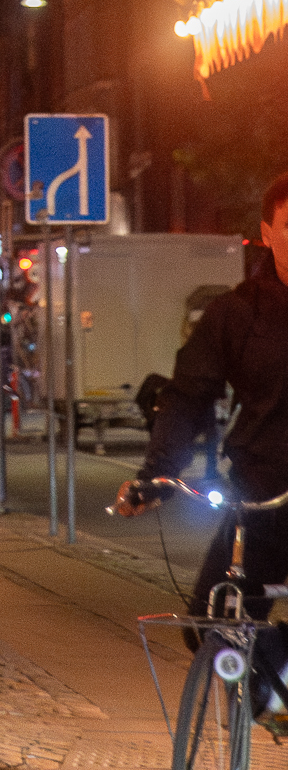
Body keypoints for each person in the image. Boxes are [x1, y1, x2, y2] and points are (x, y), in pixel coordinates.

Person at [115, 168, 288, 724]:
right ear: (267, 232)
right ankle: (273, 685)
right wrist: (156, 476)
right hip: (262, 496)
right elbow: (188, 396)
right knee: (210, 623)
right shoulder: (237, 313)